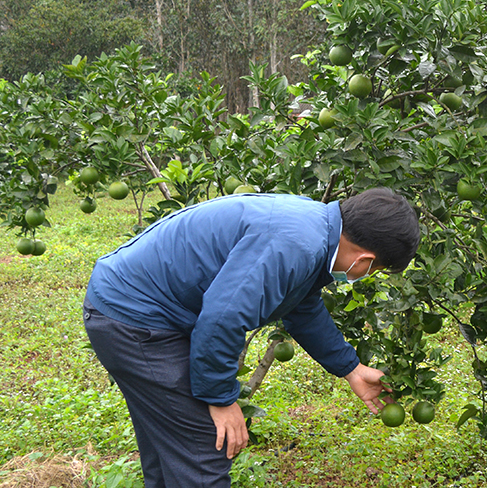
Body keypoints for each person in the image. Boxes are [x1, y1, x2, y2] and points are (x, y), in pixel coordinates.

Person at [83, 187, 420, 488]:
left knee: (170, 453)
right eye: (374, 271)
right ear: (365, 260)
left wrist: (351, 368)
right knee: (205, 448)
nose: (367, 275)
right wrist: (220, 399)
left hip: (133, 309)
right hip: (135, 319)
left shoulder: (314, 230)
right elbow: (222, 318)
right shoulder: (295, 244)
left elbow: (302, 306)